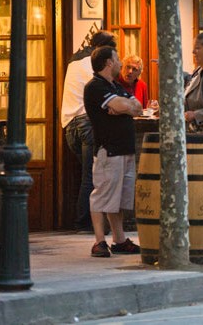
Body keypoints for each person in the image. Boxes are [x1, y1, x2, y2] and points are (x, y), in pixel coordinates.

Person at [84, 45, 143, 257]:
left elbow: (136, 107)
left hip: (125, 150)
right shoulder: (95, 87)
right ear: (108, 63)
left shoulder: (115, 86)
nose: (120, 63)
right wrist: (123, 106)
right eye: (117, 59)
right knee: (102, 195)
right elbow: (125, 106)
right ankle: (99, 241)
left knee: (118, 198)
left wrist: (123, 106)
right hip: (108, 150)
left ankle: (119, 239)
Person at [61, 30, 116, 232]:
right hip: (86, 123)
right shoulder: (92, 65)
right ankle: (85, 223)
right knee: (91, 176)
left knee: (88, 175)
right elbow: (108, 88)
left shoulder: (75, 62)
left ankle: (87, 220)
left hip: (69, 124)